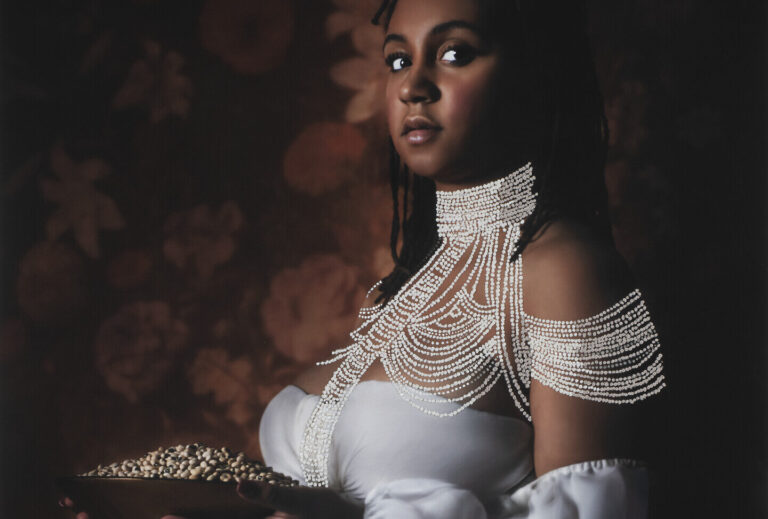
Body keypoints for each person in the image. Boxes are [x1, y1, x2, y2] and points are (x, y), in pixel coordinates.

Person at [61, 0, 667, 517]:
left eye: (454, 53)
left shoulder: (563, 272)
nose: (412, 84)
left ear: (534, 73)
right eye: (399, 59)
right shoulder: (398, 289)